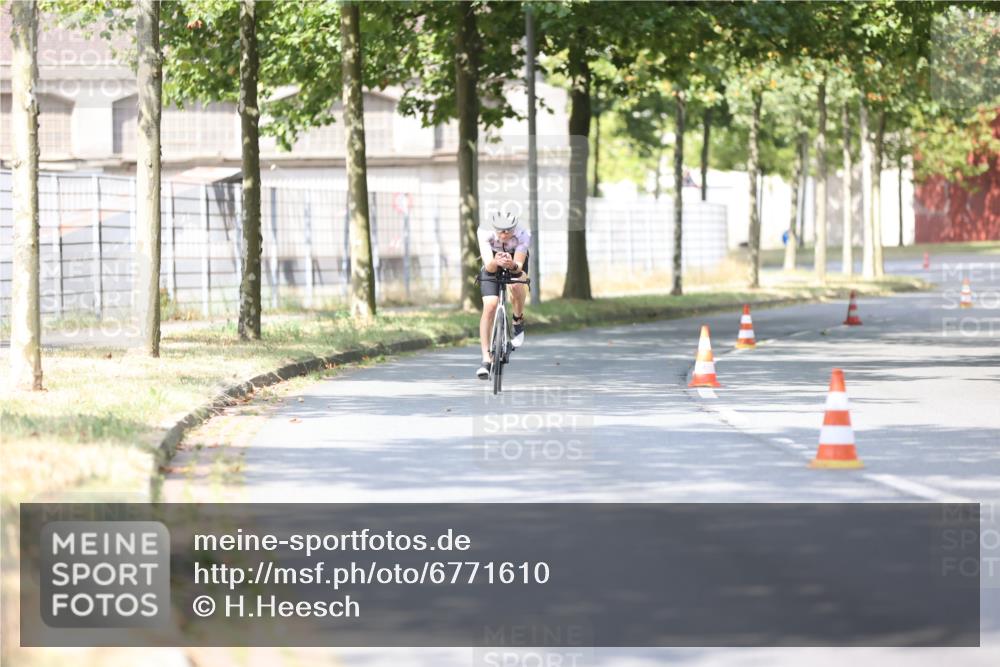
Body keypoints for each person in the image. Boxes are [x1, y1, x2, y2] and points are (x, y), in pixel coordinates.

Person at [476, 211, 530, 380]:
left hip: (515, 259)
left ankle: (517, 319)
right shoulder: (484, 231)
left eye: (508, 231)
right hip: (492, 259)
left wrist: (512, 264)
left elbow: (518, 266)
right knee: (490, 305)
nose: (504, 235)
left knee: (516, 285)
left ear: (515, 228)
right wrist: (495, 261)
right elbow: (489, 267)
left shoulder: (523, 233)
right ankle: (486, 360)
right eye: (500, 231)